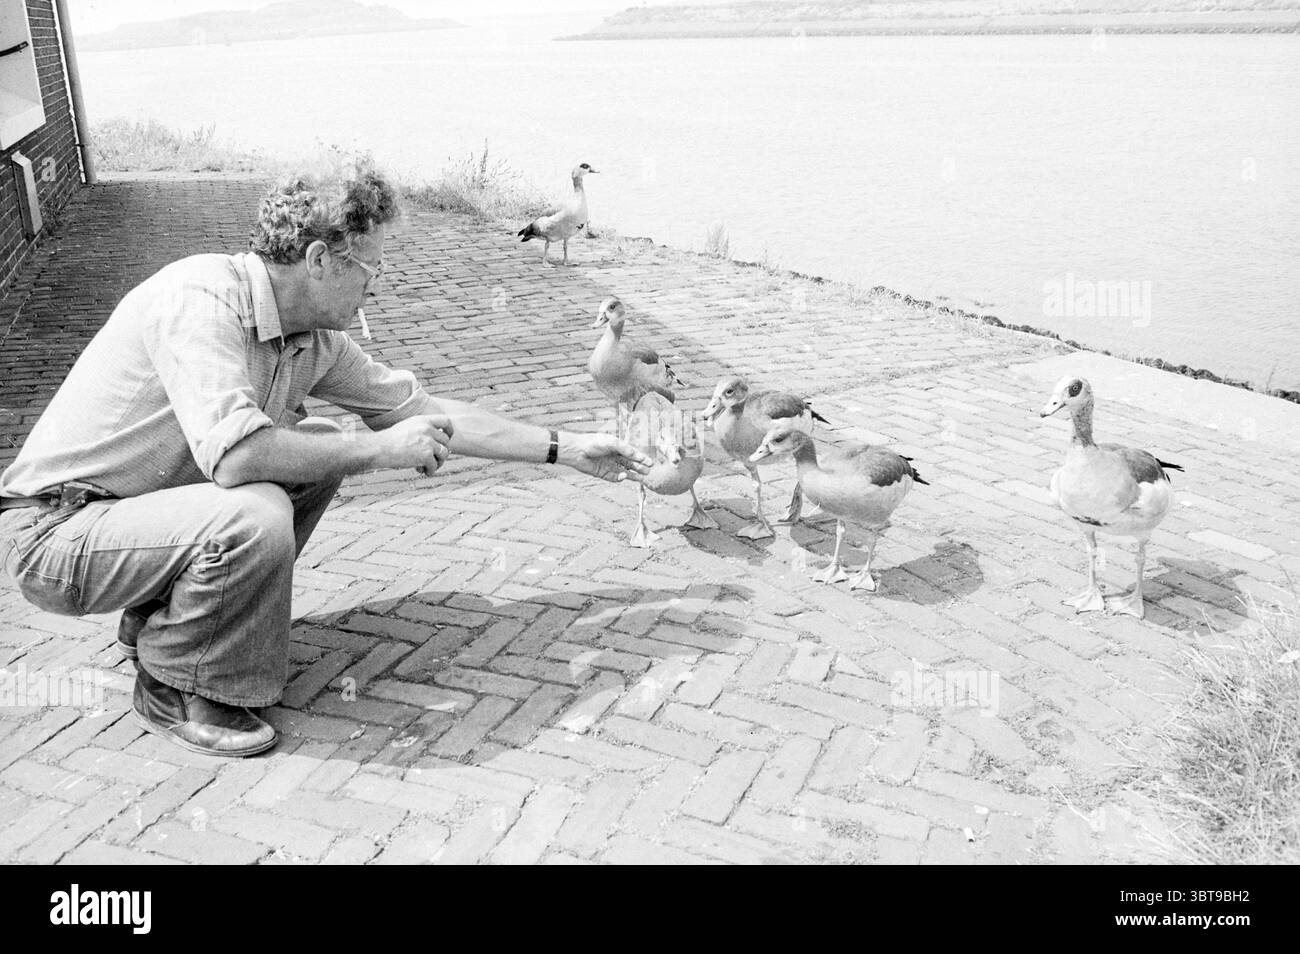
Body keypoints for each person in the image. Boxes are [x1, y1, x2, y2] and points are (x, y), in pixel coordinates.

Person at [0, 160, 650, 758]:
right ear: (319, 258)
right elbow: (236, 456)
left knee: (308, 455)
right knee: (257, 505)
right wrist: (378, 450)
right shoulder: (198, 301)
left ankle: (161, 619)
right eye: (371, 268)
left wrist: (566, 448)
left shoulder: (310, 338)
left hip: (129, 517)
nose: (378, 284)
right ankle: (175, 679)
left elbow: (427, 413)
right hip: (55, 535)